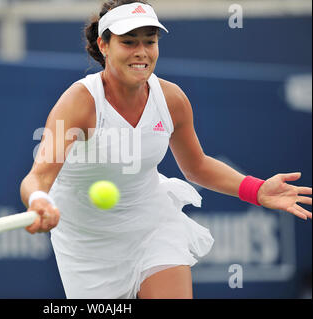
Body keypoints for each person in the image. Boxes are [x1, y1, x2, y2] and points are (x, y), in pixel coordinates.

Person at [19, 0, 312, 299]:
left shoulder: (171, 100)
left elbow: (196, 165)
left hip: (151, 225)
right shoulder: (79, 103)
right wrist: (40, 199)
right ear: (103, 45)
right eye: (128, 42)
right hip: (86, 242)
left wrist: (256, 189)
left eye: (150, 41)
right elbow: (38, 177)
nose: (141, 52)